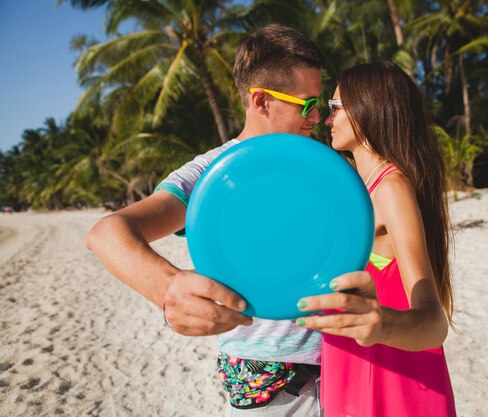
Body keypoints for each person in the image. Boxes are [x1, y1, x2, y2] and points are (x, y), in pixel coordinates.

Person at [86, 24, 327, 416]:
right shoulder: (212, 175)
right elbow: (107, 233)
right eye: (305, 104)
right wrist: (168, 288)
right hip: (275, 389)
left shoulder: (322, 167)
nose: (316, 115)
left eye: (320, 102)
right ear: (262, 101)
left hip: (347, 368)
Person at [296, 61, 457, 416]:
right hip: (352, 362)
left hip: (392, 374)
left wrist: (384, 324)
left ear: (370, 108)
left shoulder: (392, 187)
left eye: (336, 108)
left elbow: (434, 320)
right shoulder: (356, 189)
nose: (327, 119)